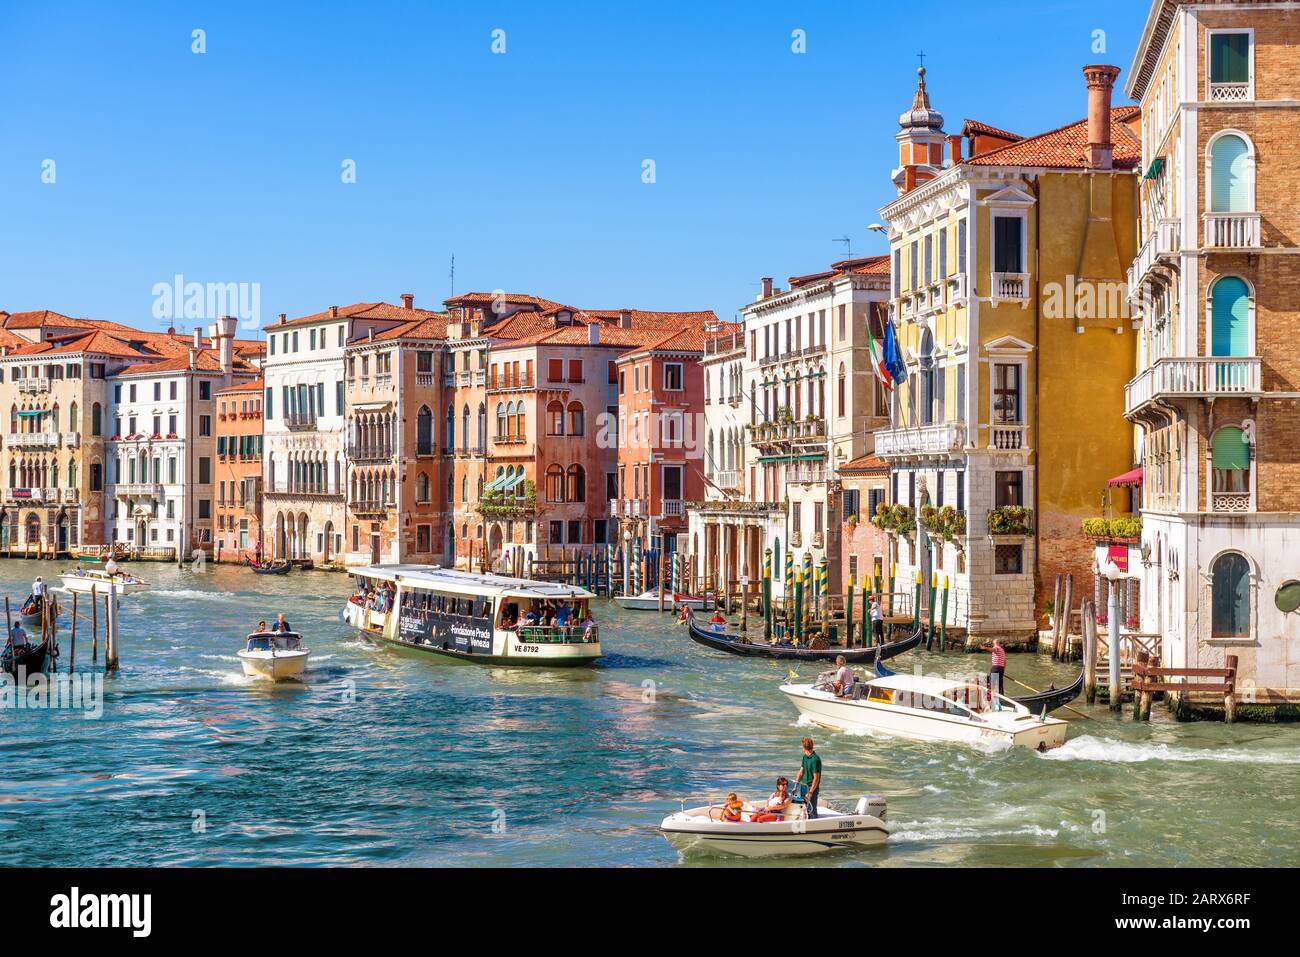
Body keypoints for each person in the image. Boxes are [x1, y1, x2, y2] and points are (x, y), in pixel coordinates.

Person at [795, 737, 822, 820]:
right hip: (803, 786)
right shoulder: (805, 757)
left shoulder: (815, 759)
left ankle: (815, 826)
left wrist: (810, 792)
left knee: (812, 810)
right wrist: (795, 785)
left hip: (811, 788)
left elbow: (816, 778)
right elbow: (800, 772)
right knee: (803, 808)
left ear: (804, 747)